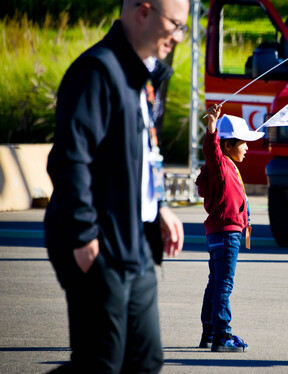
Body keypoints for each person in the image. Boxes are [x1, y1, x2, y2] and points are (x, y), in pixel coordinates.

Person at [44, 0, 189, 372]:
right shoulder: (96, 71)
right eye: (175, 25)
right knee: (101, 363)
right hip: (98, 238)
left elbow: (145, 151)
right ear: (144, 12)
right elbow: (70, 160)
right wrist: (83, 235)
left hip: (135, 239)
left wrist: (159, 207)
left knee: (145, 360)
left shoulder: (148, 75)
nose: (179, 37)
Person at [195, 104, 264, 352]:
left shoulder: (226, 167)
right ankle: (222, 335)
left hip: (219, 234)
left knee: (215, 282)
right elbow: (210, 152)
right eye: (243, 142)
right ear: (227, 145)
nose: (247, 147)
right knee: (224, 283)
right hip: (226, 235)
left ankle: (209, 332)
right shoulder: (221, 164)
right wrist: (212, 128)